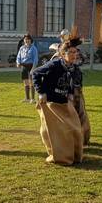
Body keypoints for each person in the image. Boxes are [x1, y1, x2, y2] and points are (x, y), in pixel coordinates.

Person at [31, 34, 84, 166]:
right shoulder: (55, 64)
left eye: (75, 52)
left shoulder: (73, 68)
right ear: (63, 54)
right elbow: (35, 73)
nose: (74, 54)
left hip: (64, 102)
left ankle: (75, 155)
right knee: (52, 131)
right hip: (50, 103)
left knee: (75, 128)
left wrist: (71, 93)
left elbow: (72, 82)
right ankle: (58, 155)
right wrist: (41, 92)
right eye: (71, 52)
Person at [16, 34, 38, 103]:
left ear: (31, 40)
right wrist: (18, 62)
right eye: (25, 39)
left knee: (31, 83)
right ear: (24, 40)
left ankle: (33, 99)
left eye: (28, 39)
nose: (27, 41)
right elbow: (18, 56)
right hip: (24, 66)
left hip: (31, 66)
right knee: (26, 83)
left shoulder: (33, 48)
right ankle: (27, 98)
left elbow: (35, 59)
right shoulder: (21, 48)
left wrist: (33, 68)